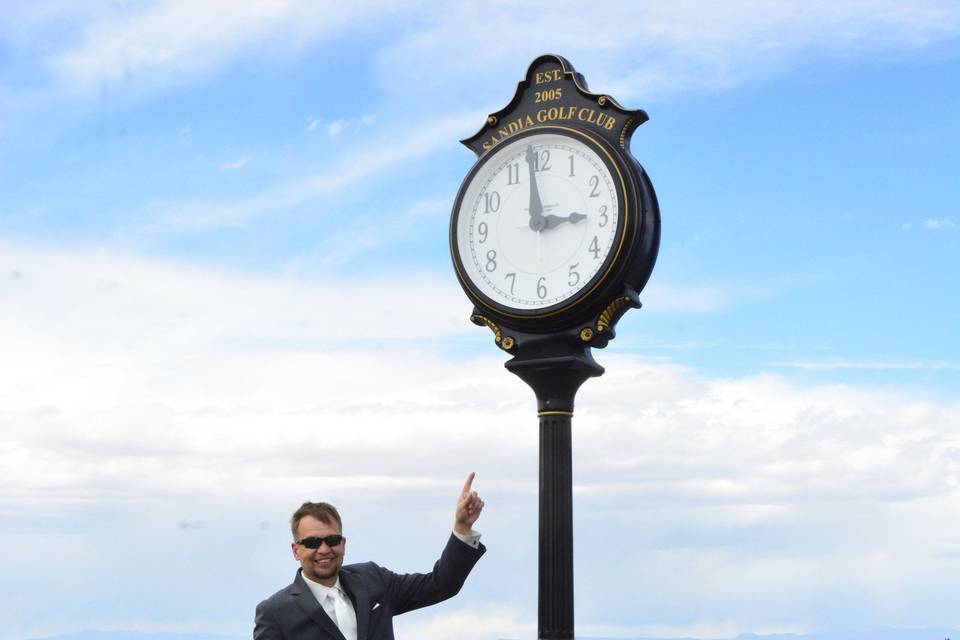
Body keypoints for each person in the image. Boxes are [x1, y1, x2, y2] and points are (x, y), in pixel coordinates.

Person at [254, 472, 485, 640]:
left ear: (343, 544)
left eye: (332, 540)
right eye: (313, 542)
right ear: (296, 550)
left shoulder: (373, 580)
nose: (324, 549)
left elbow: (441, 584)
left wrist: (462, 529)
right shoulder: (274, 613)